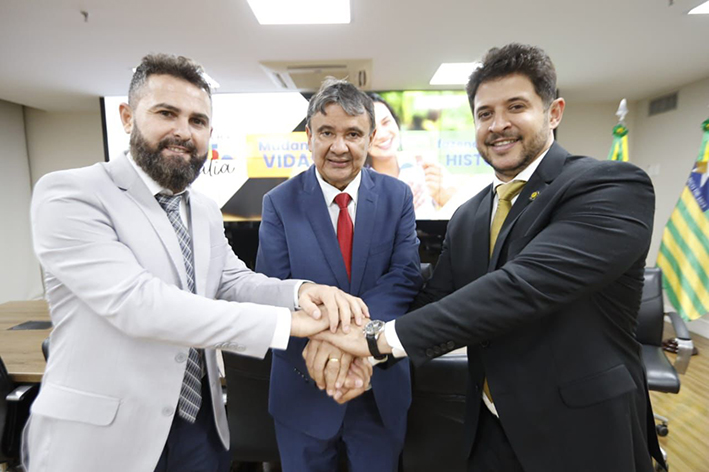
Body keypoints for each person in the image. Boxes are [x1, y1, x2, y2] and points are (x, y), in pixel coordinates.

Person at [316, 44, 665, 472]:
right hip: (490, 430)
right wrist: (349, 334)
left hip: (583, 432)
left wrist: (375, 340)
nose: (498, 125)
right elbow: (435, 299)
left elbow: (521, 287)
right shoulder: (470, 215)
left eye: (516, 107)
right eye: (485, 114)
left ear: (554, 112)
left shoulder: (610, 186)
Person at [24, 54, 367, 472]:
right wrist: (288, 323)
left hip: (199, 429)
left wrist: (302, 293)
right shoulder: (70, 194)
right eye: (166, 113)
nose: (183, 132)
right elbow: (140, 304)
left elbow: (232, 282)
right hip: (105, 440)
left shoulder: (203, 208)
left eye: (198, 121)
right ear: (127, 117)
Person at [256, 79, 423, 472]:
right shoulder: (278, 203)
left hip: (378, 388)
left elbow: (404, 277)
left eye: (353, 134)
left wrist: (356, 343)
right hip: (303, 386)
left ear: (371, 137)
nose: (339, 147)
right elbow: (273, 288)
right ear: (309, 136)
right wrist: (339, 348)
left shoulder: (397, 197)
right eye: (327, 132)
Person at [366, 93, 456, 217]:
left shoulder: (424, 166)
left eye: (386, 122)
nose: (381, 135)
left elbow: (461, 211)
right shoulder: (359, 185)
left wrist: (444, 198)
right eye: (371, 129)